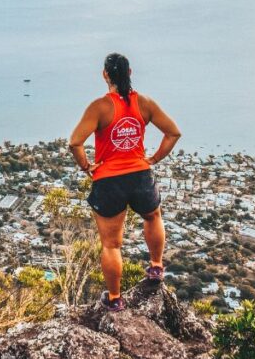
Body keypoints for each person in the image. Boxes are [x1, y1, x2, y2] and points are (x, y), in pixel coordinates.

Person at [68, 52, 181, 312]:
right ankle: (156, 267)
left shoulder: (99, 107)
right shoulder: (144, 103)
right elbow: (173, 132)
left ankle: (115, 299)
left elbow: (75, 142)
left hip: (109, 180)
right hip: (140, 175)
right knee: (153, 216)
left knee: (111, 244)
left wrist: (86, 166)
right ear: (130, 73)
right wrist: (153, 159)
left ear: (105, 75)